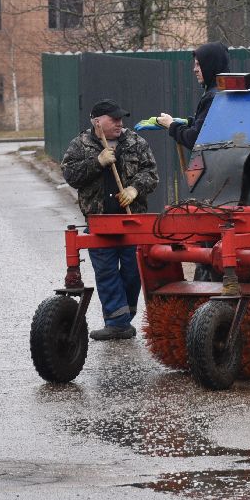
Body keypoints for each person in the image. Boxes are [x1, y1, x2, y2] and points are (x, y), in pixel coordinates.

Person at [60, 99, 158, 340]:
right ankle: (116, 322)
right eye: (113, 119)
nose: (119, 123)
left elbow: (151, 172)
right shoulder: (80, 145)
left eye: (120, 119)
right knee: (106, 273)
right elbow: (70, 175)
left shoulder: (135, 142)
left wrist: (135, 188)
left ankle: (125, 316)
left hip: (132, 222)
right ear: (97, 122)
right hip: (99, 222)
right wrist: (97, 162)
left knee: (133, 272)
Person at [154, 42, 230, 151]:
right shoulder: (226, 92)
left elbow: (194, 139)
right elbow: (209, 127)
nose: (194, 69)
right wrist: (188, 122)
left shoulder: (214, 97)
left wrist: (171, 125)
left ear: (210, 65)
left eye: (199, 64)